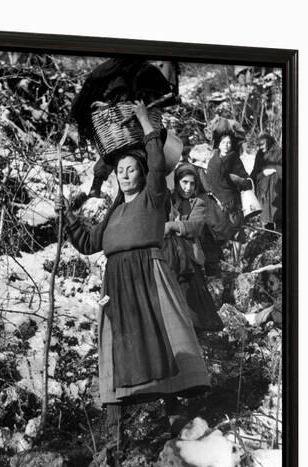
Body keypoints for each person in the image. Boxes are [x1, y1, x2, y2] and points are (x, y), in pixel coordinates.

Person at [55, 101, 210, 436]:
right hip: (117, 282)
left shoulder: (153, 197)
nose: (124, 175)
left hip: (149, 275)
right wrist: (68, 216)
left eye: (131, 169)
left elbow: (158, 165)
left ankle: (175, 412)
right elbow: (88, 244)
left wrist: (143, 121)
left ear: (142, 172)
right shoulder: (113, 212)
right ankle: (113, 427)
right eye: (120, 171)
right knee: (119, 345)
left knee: (163, 337)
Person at [163, 163, 223, 332]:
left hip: (189, 256)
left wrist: (173, 226)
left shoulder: (199, 203)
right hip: (170, 254)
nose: (188, 188)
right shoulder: (169, 199)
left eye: (192, 183)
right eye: (184, 182)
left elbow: (195, 226)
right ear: (177, 182)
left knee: (193, 298)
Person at [204, 132, 251, 268]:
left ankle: (236, 263)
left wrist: (237, 179)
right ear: (219, 144)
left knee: (235, 230)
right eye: (224, 142)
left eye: (229, 143)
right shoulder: (214, 158)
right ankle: (219, 262)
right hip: (215, 200)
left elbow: (244, 177)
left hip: (231, 200)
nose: (226, 145)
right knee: (218, 230)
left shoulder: (234, 158)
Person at [250, 133, 282, 232]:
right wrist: (262, 173)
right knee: (266, 217)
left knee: (278, 215)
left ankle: (280, 240)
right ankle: (269, 237)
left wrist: (274, 173)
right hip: (264, 190)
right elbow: (255, 171)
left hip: (276, 190)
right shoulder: (259, 154)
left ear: (268, 142)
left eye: (262, 144)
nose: (260, 147)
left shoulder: (278, 152)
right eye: (259, 145)